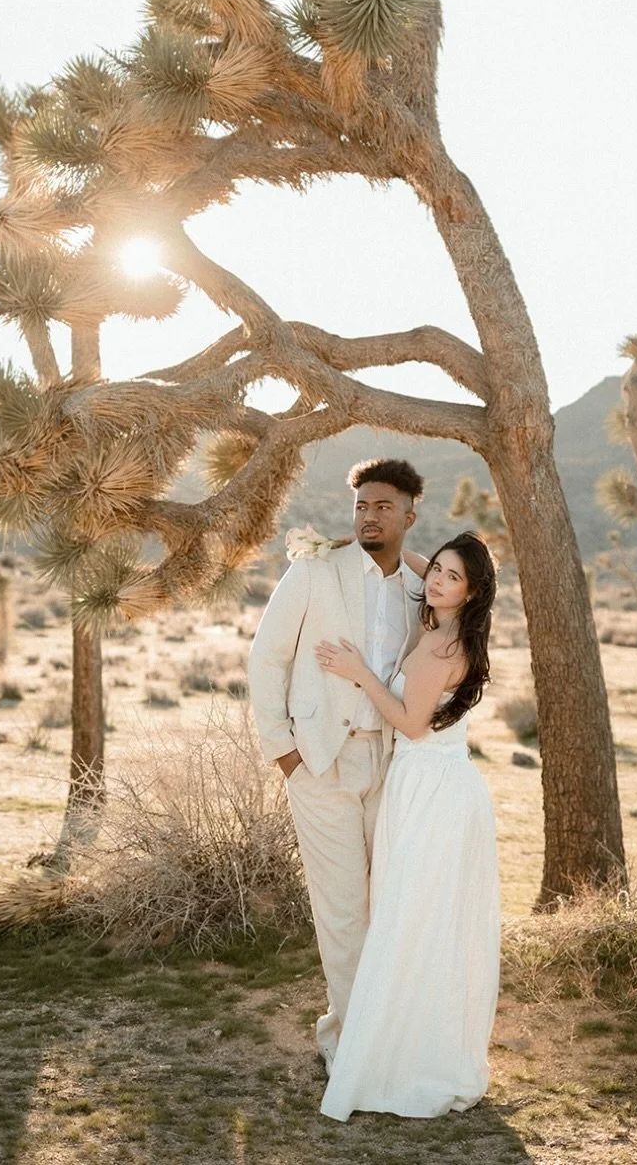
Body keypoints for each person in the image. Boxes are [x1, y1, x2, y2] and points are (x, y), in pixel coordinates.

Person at [247, 458, 426, 1071]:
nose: (369, 516)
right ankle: (350, 1047)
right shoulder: (315, 570)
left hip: (394, 763)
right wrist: (285, 752)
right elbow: (267, 657)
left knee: (386, 905)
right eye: (361, 505)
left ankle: (387, 1032)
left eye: (383, 506)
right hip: (320, 762)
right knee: (343, 909)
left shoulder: (421, 588)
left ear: (409, 514)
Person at [315, 531, 500, 1122]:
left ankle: (409, 1057)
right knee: (422, 918)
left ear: (473, 594)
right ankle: (413, 1041)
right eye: (437, 571)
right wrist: (378, 540)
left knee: (412, 919)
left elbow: (411, 724)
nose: (438, 580)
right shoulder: (449, 626)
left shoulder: (440, 649)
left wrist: (359, 671)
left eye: (453, 578)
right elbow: (420, 565)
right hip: (434, 786)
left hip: (430, 789)